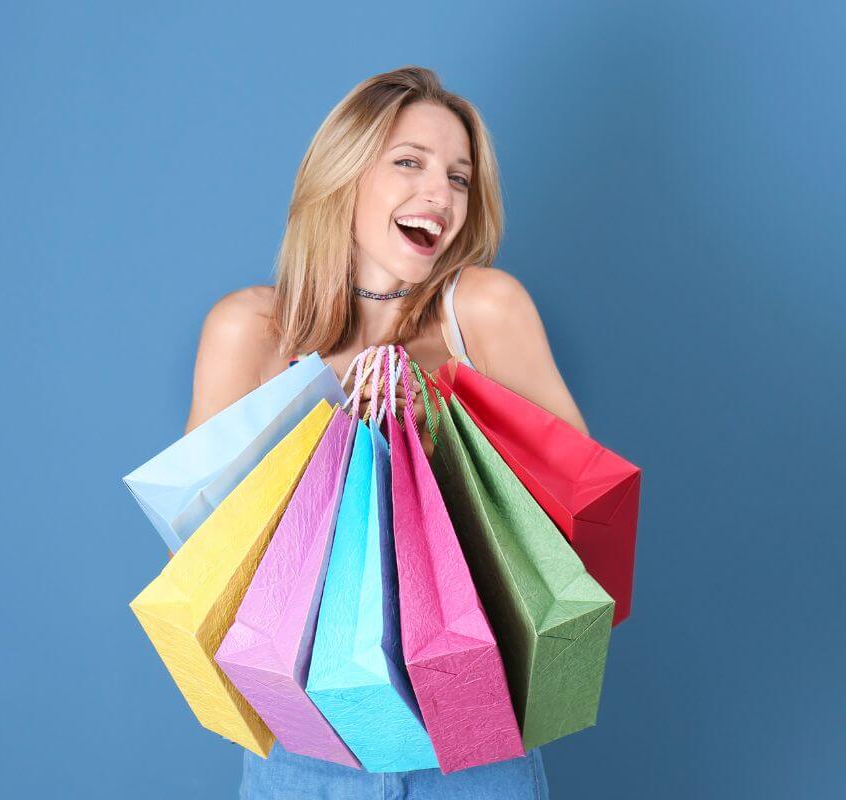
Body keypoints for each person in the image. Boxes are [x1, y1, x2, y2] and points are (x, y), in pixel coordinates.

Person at [185, 65, 588, 800]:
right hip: (304, 751)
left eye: (460, 178)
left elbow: (573, 530)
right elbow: (210, 562)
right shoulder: (250, 331)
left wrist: (440, 431)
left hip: (472, 746)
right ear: (343, 174)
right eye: (410, 162)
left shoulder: (485, 313)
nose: (440, 195)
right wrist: (327, 450)